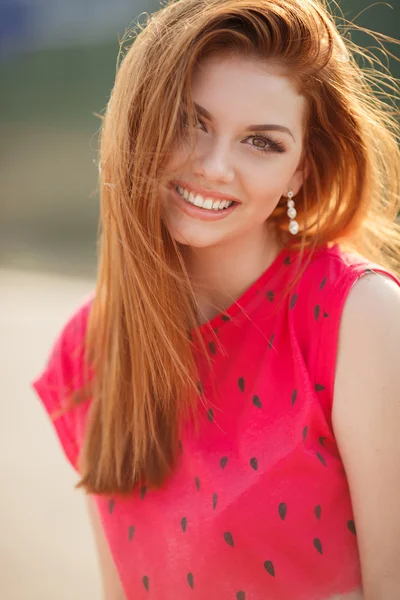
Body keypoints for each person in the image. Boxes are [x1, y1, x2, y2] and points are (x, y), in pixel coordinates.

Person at [31, 0, 400, 599]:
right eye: (191, 121)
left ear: (299, 171)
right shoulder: (87, 348)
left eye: (262, 142)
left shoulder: (359, 318)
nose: (215, 167)